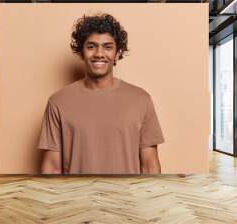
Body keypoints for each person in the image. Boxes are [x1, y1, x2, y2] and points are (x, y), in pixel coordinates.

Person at [37, 13, 164, 174]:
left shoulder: (141, 99)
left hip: (127, 198)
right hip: (75, 197)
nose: (99, 53)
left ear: (118, 53)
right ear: (81, 52)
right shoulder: (58, 102)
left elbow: (150, 164)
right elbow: (52, 167)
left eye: (107, 46)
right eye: (91, 46)